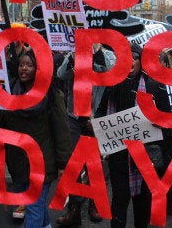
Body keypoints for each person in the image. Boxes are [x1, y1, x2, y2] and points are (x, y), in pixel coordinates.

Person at [0, 49, 72, 228]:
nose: (23, 69)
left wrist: (63, 164)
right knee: (36, 207)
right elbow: (5, 123)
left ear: (38, 69)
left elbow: (62, 131)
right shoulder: (10, 93)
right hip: (19, 163)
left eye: (29, 65)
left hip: (42, 162)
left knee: (33, 209)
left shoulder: (52, 95)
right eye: (21, 65)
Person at [94, 44, 171, 228]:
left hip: (146, 155)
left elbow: (168, 120)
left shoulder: (153, 85)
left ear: (141, 61)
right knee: (120, 200)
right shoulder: (112, 85)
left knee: (142, 203)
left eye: (134, 57)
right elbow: (101, 112)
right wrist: (96, 125)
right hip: (119, 154)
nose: (130, 61)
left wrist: (158, 122)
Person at [56, 43, 115, 225]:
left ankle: (95, 205)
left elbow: (112, 71)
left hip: (97, 116)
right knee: (73, 165)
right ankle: (73, 210)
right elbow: (61, 74)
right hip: (75, 116)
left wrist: (97, 52)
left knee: (94, 165)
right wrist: (74, 56)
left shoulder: (108, 55)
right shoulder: (74, 53)